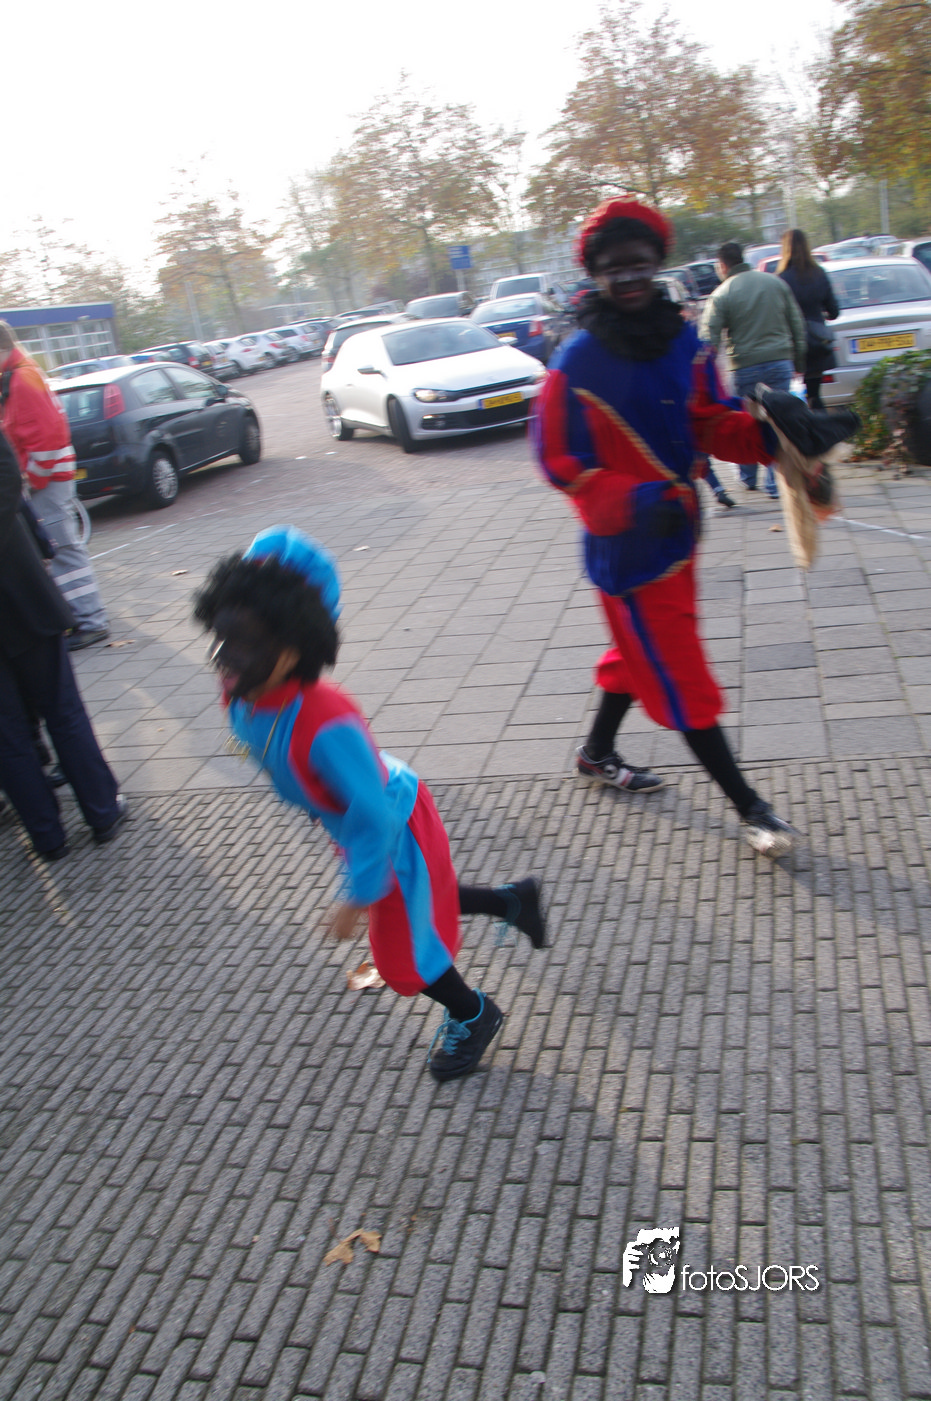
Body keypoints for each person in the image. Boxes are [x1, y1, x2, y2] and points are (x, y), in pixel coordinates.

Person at [192, 526, 546, 1082]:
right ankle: (512, 902)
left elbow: (374, 815)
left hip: (391, 828)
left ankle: (474, 1014)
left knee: (403, 958)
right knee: (418, 901)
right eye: (220, 637)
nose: (224, 659)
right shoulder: (245, 686)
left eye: (245, 644)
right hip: (362, 819)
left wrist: (356, 896)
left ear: (294, 651)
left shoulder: (326, 722)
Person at [533, 197, 795, 858]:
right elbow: (558, 459)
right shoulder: (576, 363)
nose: (627, 278)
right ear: (594, 273)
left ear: (657, 263)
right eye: (612, 268)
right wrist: (634, 500)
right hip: (629, 552)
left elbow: (708, 420)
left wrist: (771, 437)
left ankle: (596, 752)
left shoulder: (685, 340)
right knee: (679, 671)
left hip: (678, 536)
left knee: (635, 653)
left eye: (639, 264)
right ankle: (751, 807)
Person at [0, 428, 126, 860]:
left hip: (20, 593)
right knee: (60, 707)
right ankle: (102, 812)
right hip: (20, 591)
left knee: (7, 733)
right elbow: (7, 478)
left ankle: (47, 837)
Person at [0, 320, 109, 648]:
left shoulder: (20, 379)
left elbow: (45, 438)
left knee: (63, 549)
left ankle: (90, 621)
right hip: (46, 478)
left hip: (45, 480)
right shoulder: (19, 375)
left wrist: (30, 479)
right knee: (60, 548)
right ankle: (80, 618)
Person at [700, 241, 807, 498]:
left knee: (747, 421)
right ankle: (776, 482)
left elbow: (708, 337)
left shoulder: (722, 293)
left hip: (744, 366)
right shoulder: (775, 284)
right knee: (779, 421)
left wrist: (706, 377)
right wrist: (799, 361)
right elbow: (796, 323)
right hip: (779, 362)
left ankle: (748, 477)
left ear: (722, 265)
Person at [777, 229, 840, 410]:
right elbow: (834, 311)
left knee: (788, 397)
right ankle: (820, 426)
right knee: (814, 395)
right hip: (816, 343)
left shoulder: (781, 279)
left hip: (790, 344)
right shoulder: (819, 273)